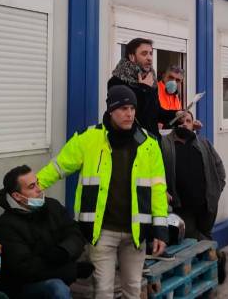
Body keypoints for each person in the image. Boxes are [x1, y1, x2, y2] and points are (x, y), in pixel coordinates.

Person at [38, 85, 169, 299]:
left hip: (136, 232)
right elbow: (58, 167)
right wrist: (32, 186)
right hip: (101, 231)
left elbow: (158, 188)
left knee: (133, 289)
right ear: (110, 110)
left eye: (132, 108)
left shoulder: (149, 144)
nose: (129, 114)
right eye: (123, 108)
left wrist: (160, 230)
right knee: (103, 291)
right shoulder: (88, 139)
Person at [0, 165, 86, 299]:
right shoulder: (6, 225)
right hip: (24, 287)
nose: (39, 189)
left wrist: (64, 251)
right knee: (57, 287)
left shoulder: (52, 206)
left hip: (57, 271)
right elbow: (25, 269)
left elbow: (75, 233)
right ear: (17, 196)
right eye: (32, 187)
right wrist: (69, 270)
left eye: (38, 183)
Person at [160, 110, 225, 240]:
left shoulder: (204, 144)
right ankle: (214, 252)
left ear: (193, 125)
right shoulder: (164, 145)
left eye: (188, 121)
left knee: (204, 234)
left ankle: (212, 255)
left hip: (206, 206)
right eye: (180, 121)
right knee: (190, 236)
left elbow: (219, 168)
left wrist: (216, 191)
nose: (184, 124)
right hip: (182, 207)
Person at [108, 38, 176, 136]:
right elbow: (129, 115)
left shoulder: (151, 79)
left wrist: (177, 115)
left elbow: (156, 112)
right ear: (132, 57)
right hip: (130, 143)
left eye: (150, 53)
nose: (149, 58)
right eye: (144, 54)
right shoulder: (117, 81)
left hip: (152, 141)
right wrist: (144, 88)